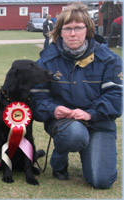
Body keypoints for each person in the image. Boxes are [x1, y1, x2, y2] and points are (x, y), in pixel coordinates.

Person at [31, 2, 122, 189]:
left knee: (101, 181)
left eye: (78, 28)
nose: (73, 34)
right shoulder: (46, 60)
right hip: (65, 124)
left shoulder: (109, 59)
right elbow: (37, 98)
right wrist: (53, 109)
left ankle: (91, 148)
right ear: (59, 32)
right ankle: (60, 157)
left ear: (88, 29)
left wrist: (90, 114)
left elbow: (115, 97)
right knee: (74, 134)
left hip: (99, 123)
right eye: (68, 28)